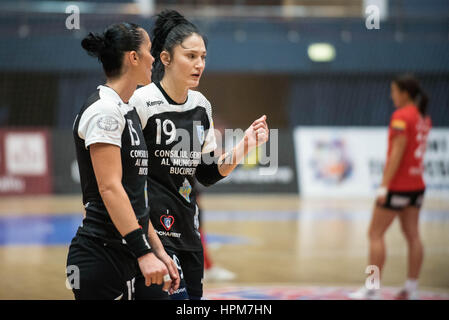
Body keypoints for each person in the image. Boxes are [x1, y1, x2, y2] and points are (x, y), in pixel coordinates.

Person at [129, 9, 269, 299]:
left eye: (203, 57)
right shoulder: (142, 102)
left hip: (189, 234)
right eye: (191, 56)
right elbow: (125, 176)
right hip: (154, 235)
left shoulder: (201, 106)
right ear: (166, 58)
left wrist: (245, 145)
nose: (199, 64)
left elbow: (206, 173)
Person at [66, 22, 180, 300]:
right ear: (133, 57)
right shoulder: (103, 109)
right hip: (101, 255)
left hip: (133, 249)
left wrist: (159, 251)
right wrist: (144, 252)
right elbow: (110, 188)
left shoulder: (127, 109)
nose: (154, 58)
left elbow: (136, 196)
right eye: (150, 51)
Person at [349, 74, 432, 300]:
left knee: (375, 234)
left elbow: (397, 153)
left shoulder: (401, 117)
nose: (391, 95)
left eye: (394, 91)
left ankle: (372, 289)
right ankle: (412, 288)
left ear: (404, 93)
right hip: (417, 186)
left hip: (398, 186)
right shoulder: (423, 117)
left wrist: (384, 187)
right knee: (413, 236)